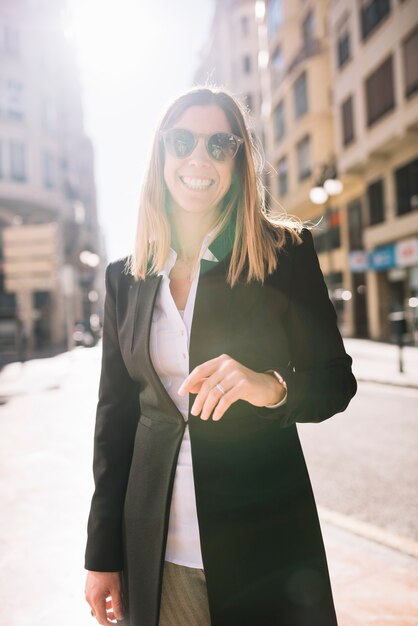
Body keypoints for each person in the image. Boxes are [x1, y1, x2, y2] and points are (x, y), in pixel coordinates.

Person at [84, 86, 357, 626]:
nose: (198, 158)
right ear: (161, 153)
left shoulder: (284, 253)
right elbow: (115, 420)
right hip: (156, 548)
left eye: (220, 144)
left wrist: (271, 385)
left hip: (264, 540)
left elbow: (336, 381)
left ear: (238, 160)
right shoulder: (124, 278)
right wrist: (101, 556)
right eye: (182, 140)